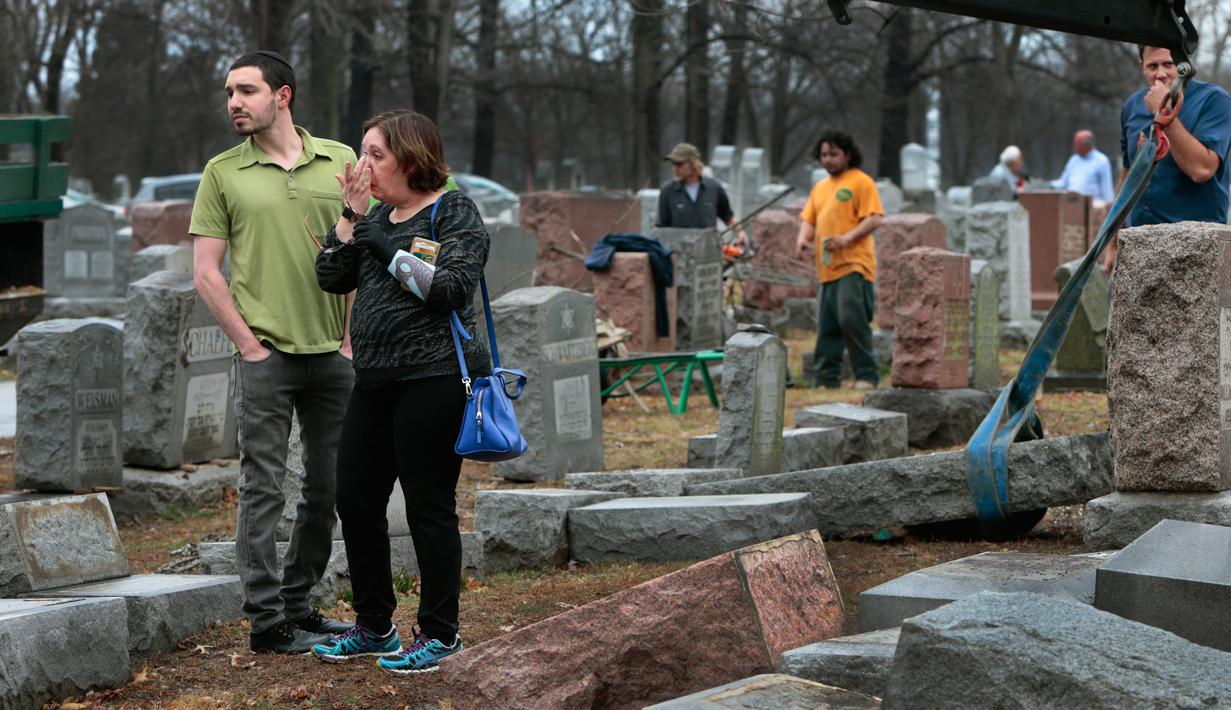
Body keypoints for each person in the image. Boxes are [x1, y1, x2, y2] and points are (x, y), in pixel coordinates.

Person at [312, 109, 490, 675]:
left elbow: (449, 288)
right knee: (357, 502)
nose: (362, 165)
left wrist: (380, 240)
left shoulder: (451, 210)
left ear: (412, 159)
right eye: (363, 152)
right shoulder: (376, 216)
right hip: (374, 382)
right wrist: (352, 217)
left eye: (375, 154)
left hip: (434, 379)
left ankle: (440, 633)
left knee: (428, 509)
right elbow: (330, 276)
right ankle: (374, 626)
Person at [190, 50, 356, 654]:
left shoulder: (340, 160)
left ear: (282, 95)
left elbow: (362, 249)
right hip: (266, 357)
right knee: (263, 489)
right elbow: (206, 272)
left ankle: (299, 603)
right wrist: (249, 346)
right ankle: (265, 621)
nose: (233, 102)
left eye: (246, 91)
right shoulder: (222, 172)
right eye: (229, 92)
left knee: (328, 488)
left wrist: (348, 338)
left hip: (333, 356)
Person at [1105, 45, 1231, 272]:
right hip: (1139, 246)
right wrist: (1112, 241)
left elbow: (1202, 169)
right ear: (1142, 66)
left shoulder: (1214, 100)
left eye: (1168, 64)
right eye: (1153, 66)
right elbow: (1127, 176)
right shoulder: (1133, 106)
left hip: (1198, 250)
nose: (1161, 73)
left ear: (1185, 65)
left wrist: (1165, 116)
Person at [793, 131, 884, 390]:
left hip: (854, 264)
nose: (828, 160)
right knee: (827, 325)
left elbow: (875, 218)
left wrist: (845, 239)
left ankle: (866, 375)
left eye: (833, 154)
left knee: (851, 319)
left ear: (847, 154)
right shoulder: (820, 188)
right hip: (826, 268)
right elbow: (809, 219)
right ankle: (825, 379)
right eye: (823, 155)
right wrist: (802, 240)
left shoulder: (861, 182)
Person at [656, 142, 747, 241]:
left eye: (679, 164)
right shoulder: (667, 191)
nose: (675, 168)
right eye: (673, 164)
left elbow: (728, 217)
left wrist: (740, 233)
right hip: (678, 251)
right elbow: (660, 228)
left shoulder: (714, 188)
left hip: (708, 251)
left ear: (693, 164)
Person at [1051, 130, 1115, 206]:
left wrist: (1109, 206)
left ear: (1088, 145)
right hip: (1071, 203)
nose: (1074, 146)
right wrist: (1049, 185)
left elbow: (1106, 188)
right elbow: (1063, 183)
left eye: (1077, 144)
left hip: (1093, 206)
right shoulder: (1073, 160)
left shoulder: (1102, 161)